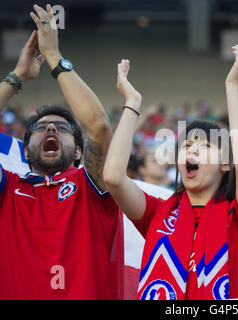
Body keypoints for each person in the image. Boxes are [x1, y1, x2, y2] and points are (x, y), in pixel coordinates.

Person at [103, 45, 238, 300]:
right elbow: (112, 177)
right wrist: (132, 105)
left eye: (206, 146)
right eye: (187, 146)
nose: (193, 151)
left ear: (225, 164)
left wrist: (234, 86)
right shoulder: (158, 212)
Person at [0, 5, 122, 299]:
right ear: (26, 151)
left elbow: (99, 128)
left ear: (80, 152)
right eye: (40, 129)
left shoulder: (92, 188)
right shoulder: (8, 192)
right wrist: (17, 76)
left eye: (62, 128)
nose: (51, 130)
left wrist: (53, 56)